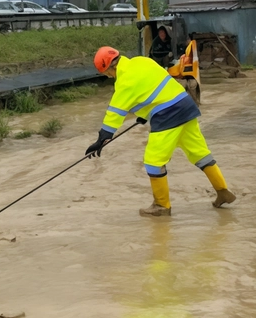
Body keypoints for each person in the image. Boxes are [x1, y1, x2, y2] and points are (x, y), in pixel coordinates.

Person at [85, 46, 235, 217]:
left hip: (168, 115)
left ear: (109, 68)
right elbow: (154, 86)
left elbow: (115, 113)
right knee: (200, 153)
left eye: (107, 74)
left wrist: (102, 139)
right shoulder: (142, 61)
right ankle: (223, 191)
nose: (109, 77)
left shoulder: (124, 81)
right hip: (185, 104)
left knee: (153, 161)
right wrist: (145, 112)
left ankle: (161, 205)